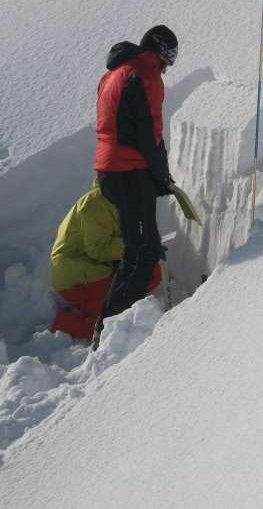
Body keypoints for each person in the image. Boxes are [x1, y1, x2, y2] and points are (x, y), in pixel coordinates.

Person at [92, 25, 178, 337]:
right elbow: (148, 131)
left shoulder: (115, 72)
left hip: (111, 170)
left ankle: (117, 326)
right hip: (129, 171)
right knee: (142, 251)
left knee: (141, 248)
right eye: (169, 57)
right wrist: (159, 174)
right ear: (160, 51)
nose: (168, 67)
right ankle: (111, 332)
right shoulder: (146, 73)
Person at [49, 180, 162, 339]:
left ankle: (101, 306)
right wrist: (136, 245)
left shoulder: (121, 201)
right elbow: (97, 249)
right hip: (75, 277)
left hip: (100, 269)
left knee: (153, 272)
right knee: (112, 321)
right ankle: (64, 323)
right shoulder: (96, 205)